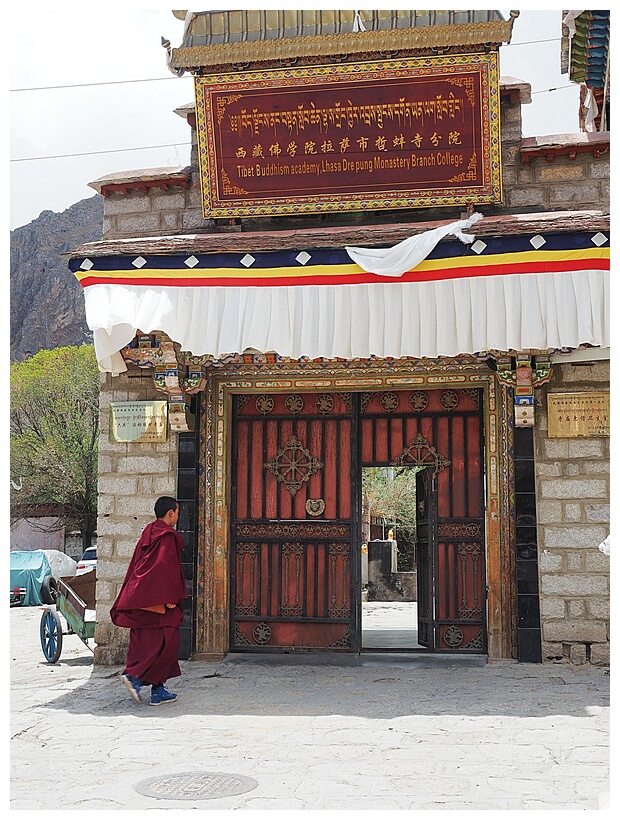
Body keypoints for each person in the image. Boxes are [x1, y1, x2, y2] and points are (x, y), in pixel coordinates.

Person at [111, 496, 188, 706]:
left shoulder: (149, 533)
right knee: (167, 643)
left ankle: (158, 690)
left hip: (143, 599)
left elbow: (138, 566)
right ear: (170, 513)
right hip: (160, 602)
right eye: (177, 512)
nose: (178, 516)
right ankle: (134, 678)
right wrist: (169, 597)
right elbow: (164, 566)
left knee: (145, 642)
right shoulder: (166, 537)